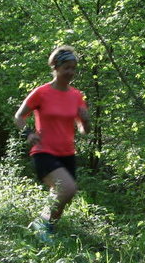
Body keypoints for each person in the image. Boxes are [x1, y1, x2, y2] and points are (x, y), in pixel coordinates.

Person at [13, 45, 90, 241]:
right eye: (66, 68)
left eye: (73, 68)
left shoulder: (76, 95)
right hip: (44, 151)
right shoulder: (42, 92)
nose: (70, 72)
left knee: (63, 195)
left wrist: (86, 120)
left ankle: (46, 230)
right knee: (67, 189)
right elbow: (19, 117)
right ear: (55, 67)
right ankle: (42, 223)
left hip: (67, 153)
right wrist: (29, 133)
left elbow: (83, 130)